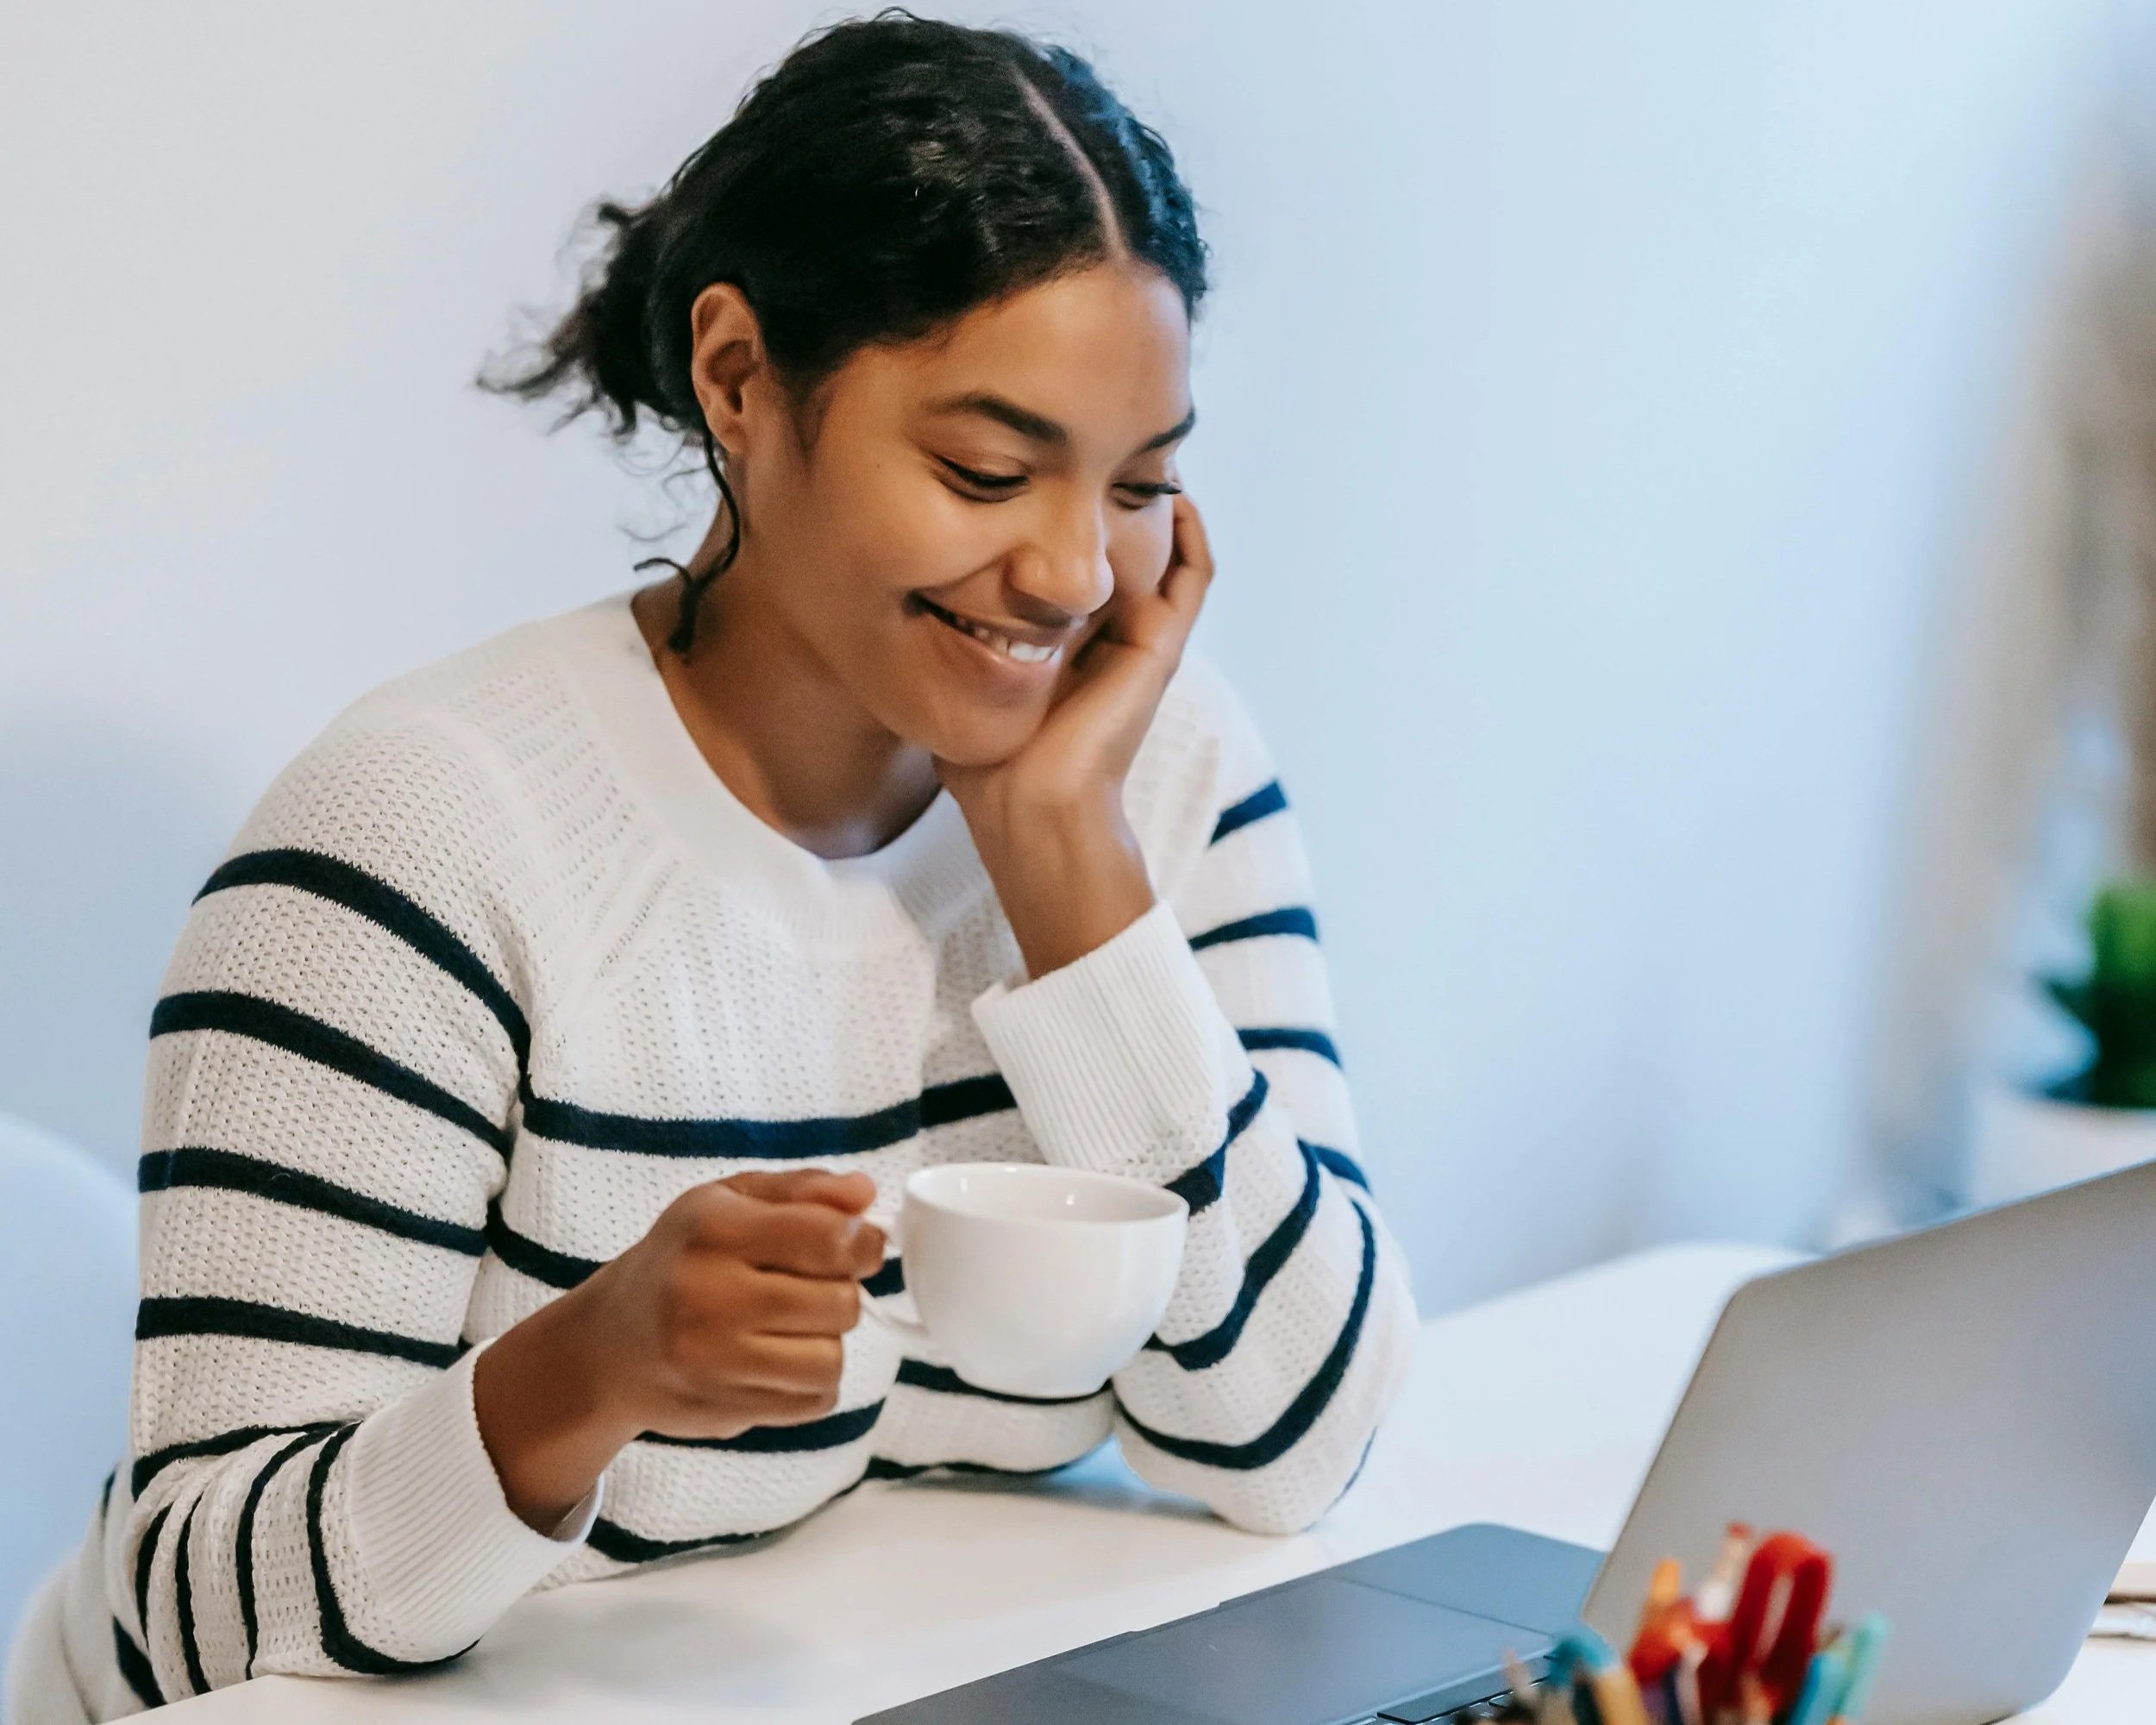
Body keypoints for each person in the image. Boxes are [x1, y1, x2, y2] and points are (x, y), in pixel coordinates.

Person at [5, 9, 1420, 1719]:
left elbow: (1298, 1442)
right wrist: (571, 1378)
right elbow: (185, 1626)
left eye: (1139, 485)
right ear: (738, 379)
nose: (1068, 573)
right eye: (985, 467)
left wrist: (1069, 877)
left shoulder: (1155, 776)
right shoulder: (415, 843)